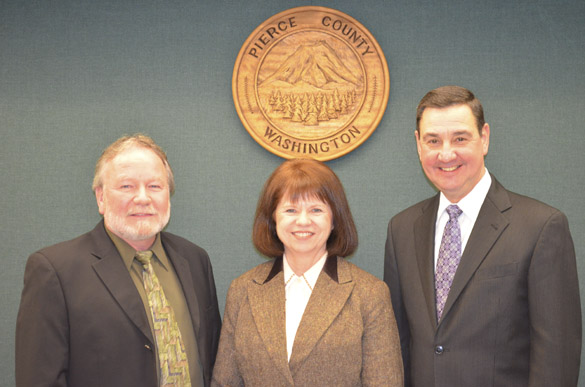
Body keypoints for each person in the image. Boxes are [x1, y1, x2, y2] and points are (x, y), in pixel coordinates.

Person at [384, 85, 581, 386]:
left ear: (484, 138)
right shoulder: (401, 229)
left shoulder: (541, 226)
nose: (446, 153)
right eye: (432, 140)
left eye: (460, 138)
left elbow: (557, 355)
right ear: (418, 145)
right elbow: (397, 345)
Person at [15, 134, 221, 387]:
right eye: (127, 187)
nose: (143, 198)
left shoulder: (195, 260)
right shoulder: (55, 271)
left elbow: (213, 361)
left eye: (155, 186)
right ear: (100, 197)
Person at [212, 158, 404, 386]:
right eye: (291, 209)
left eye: (316, 209)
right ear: (273, 218)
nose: (303, 221)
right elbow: (225, 382)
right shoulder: (242, 290)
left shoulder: (369, 294)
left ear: (334, 220)